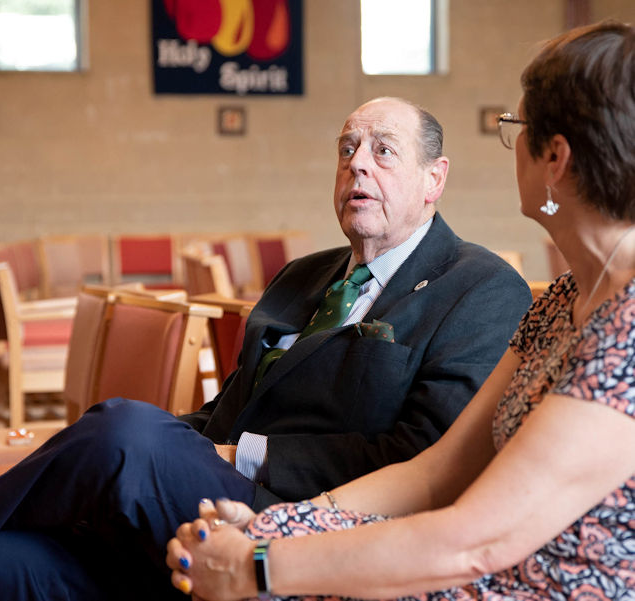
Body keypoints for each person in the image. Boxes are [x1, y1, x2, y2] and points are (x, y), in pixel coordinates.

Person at [0, 97, 532, 601]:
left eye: (383, 150)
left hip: (316, 521)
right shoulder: (303, 276)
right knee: (13, 561)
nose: (357, 163)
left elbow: (422, 455)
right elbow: (227, 407)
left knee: (124, 433)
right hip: (211, 486)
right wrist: (187, 441)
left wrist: (238, 453)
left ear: (436, 178)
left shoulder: (479, 286)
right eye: (346, 147)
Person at [166, 21, 635, 601]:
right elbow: (437, 471)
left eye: (517, 129)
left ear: (556, 159)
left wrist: (258, 565)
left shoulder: (628, 322)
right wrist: (271, 529)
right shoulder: (565, 300)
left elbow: (476, 541)